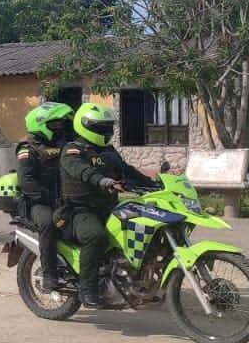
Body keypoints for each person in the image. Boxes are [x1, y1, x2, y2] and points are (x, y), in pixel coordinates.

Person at [59, 103, 157, 308]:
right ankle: (87, 289)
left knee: (142, 228)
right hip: (80, 210)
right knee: (96, 236)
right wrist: (102, 181)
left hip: (109, 208)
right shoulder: (72, 150)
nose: (106, 132)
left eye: (108, 127)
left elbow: (128, 171)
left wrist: (154, 183)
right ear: (86, 126)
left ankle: (140, 283)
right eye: (100, 127)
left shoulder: (109, 150)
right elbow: (82, 171)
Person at [17, 102, 74, 292]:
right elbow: (26, 182)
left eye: (60, 124)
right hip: (37, 203)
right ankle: (49, 274)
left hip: (63, 199)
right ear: (40, 124)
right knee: (48, 223)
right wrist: (51, 198)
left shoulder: (64, 145)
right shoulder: (28, 149)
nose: (59, 128)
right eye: (54, 125)